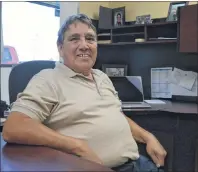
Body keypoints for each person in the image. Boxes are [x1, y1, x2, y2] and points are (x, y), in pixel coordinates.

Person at [2, 14, 166, 172]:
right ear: (60, 48)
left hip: (137, 163)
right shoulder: (48, 79)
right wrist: (77, 146)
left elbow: (115, 115)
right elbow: (14, 126)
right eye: (74, 39)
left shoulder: (102, 77)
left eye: (90, 39)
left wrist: (147, 137)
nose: (84, 45)